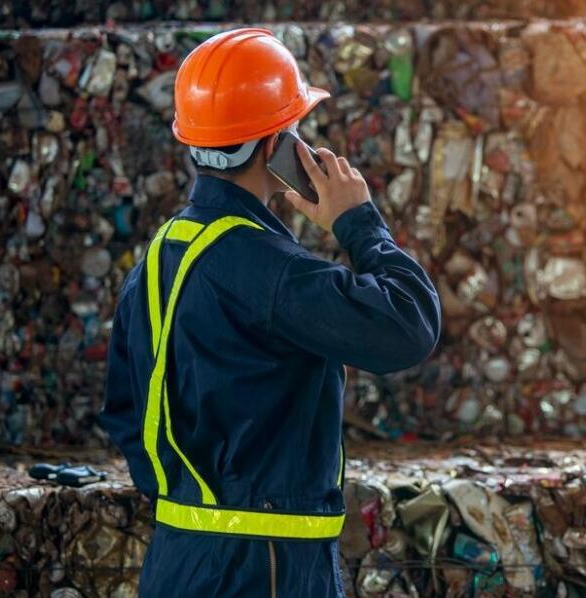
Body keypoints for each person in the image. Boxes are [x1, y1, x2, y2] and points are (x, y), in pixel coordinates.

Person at [99, 28, 441, 596]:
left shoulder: (161, 256)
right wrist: (359, 222)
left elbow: (123, 411)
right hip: (269, 569)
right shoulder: (267, 268)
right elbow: (409, 325)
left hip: (178, 558)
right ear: (273, 144)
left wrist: (198, 500)